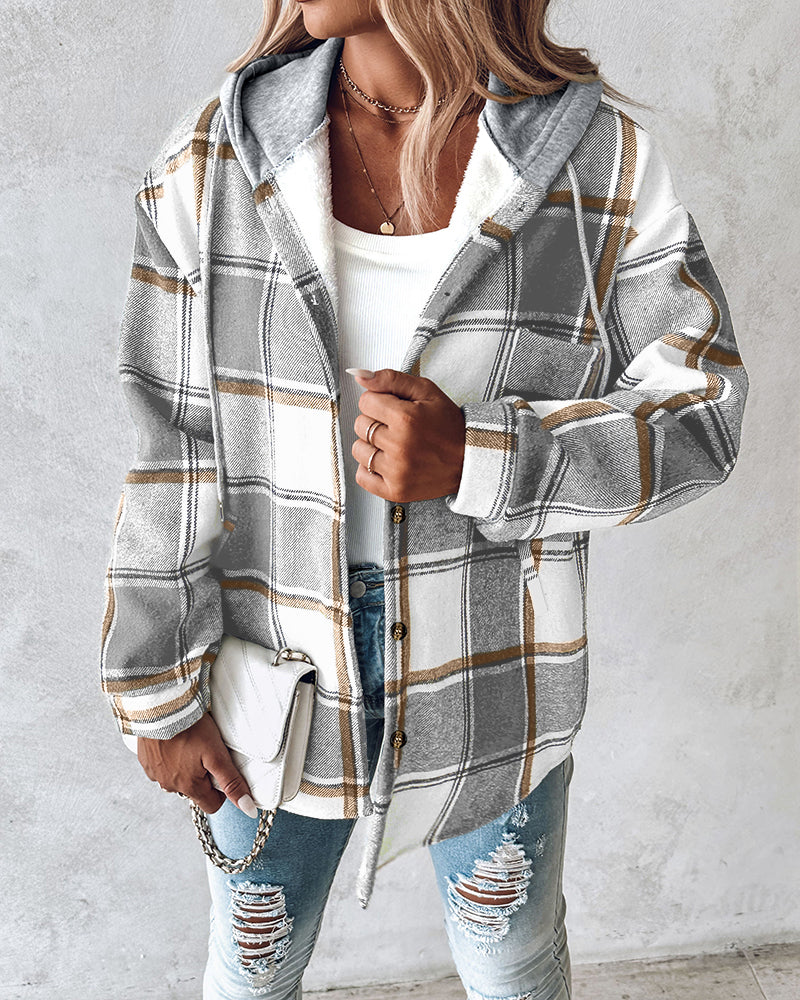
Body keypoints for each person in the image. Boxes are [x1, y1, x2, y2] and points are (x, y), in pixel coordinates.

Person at [100, 1, 749, 997]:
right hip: (269, 671)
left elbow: (702, 413)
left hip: (498, 667)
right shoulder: (213, 159)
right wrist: (156, 688)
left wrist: (481, 456)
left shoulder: (596, 160)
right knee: (252, 969)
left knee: (510, 965)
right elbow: (171, 445)